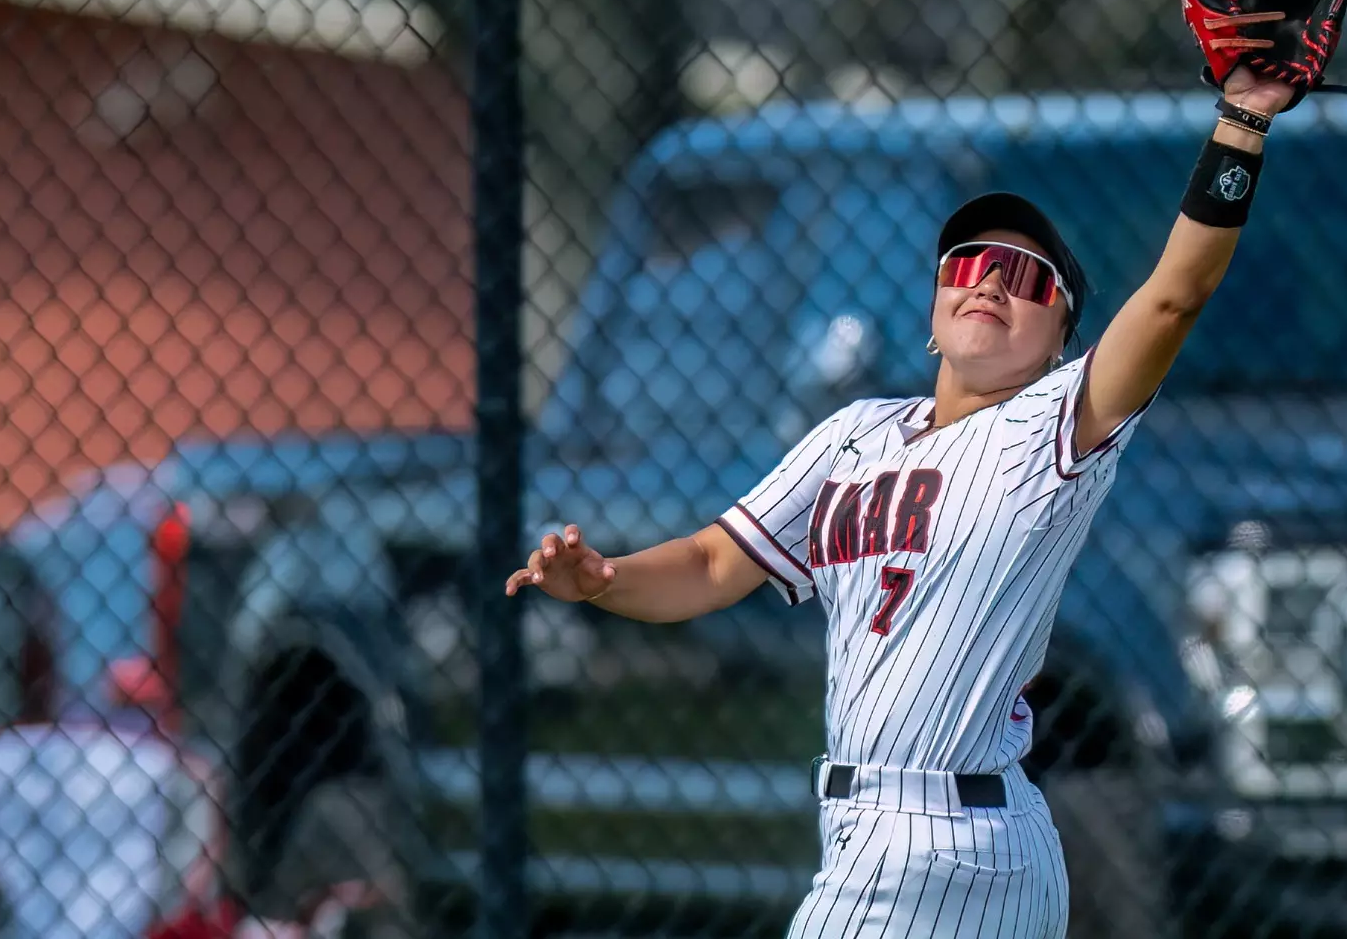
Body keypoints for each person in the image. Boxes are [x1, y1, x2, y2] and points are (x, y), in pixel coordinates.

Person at [508, 61, 1293, 937]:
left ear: (1060, 345)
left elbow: (1175, 296)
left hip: (946, 843)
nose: (993, 283)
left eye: (1031, 281)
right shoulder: (857, 431)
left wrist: (1242, 123)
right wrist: (605, 578)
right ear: (932, 313)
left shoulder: (1050, 431)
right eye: (971, 263)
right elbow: (712, 562)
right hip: (874, 831)